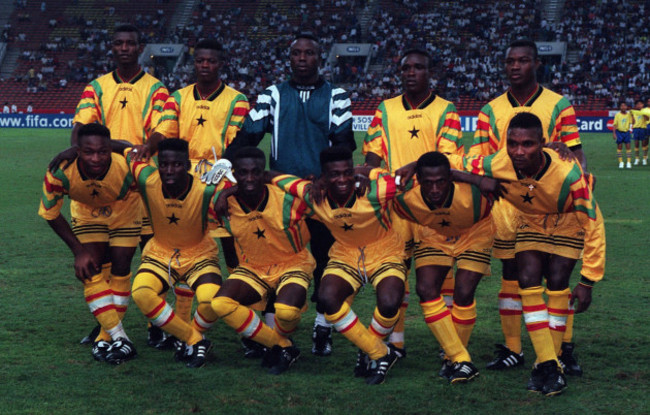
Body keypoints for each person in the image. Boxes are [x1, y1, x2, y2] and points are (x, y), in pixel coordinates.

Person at [224, 33, 356, 356]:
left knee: (327, 262)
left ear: (319, 58)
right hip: (280, 197)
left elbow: (343, 145)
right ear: (289, 58)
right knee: (275, 259)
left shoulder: (337, 96)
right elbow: (249, 136)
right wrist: (225, 165)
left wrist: (325, 178)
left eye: (309, 53)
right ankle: (272, 332)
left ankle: (322, 328)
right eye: (296, 53)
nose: (301, 58)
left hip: (321, 195)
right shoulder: (272, 94)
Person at [468, 39, 589, 372]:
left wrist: (581, 179)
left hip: (550, 201)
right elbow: (481, 163)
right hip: (507, 205)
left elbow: (575, 151)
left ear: (536, 63)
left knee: (556, 277)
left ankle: (562, 348)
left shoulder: (558, 104)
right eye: (510, 61)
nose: (515, 66)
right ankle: (513, 349)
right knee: (512, 275)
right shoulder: (489, 111)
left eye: (523, 61)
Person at [464, 112, 606, 396]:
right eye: (512, 143)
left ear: (542, 143)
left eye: (527, 144)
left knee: (557, 281)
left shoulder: (570, 174)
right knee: (527, 278)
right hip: (531, 221)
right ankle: (551, 366)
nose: (518, 151)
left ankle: (546, 361)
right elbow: (459, 163)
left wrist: (588, 280)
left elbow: (594, 226)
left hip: (568, 222)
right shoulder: (498, 162)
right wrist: (416, 164)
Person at [135, 38, 250, 346]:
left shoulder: (237, 100)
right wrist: (149, 145)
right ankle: (167, 325)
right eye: (200, 61)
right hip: (180, 178)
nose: (204, 65)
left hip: (219, 177)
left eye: (211, 61)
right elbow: (165, 131)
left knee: (230, 253)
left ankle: (245, 318)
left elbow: (237, 144)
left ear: (221, 64)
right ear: (194, 63)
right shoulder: (178, 97)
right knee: (176, 244)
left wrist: (224, 172)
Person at [61, 24, 170, 347]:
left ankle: (157, 322)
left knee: (153, 255)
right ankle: (108, 327)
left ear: (140, 48)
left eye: (130, 43)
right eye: (119, 43)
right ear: (112, 48)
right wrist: (75, 152)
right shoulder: (96, 87)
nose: (124, 48)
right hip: (104, 182)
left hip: (142, 185)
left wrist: (144, 149)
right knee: (106, 262)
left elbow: (161, 130)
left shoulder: (155, 88)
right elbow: (80, 126)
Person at [271, 146, 406, 385]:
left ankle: (368, 351)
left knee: (389, 302)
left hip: (385, 250)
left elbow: (412, 176)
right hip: (345, 254)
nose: (342, 179)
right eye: (334, 174)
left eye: (347, 173)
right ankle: (377, 352)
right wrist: (225, 195)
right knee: (327, 298)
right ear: (323, 176)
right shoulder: (312, 194)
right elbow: (271, 176)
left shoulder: (376, 190)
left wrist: (368, 171)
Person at [363, 48, 463, 350]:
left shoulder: (447, 110)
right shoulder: (385, 109)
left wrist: (412, 171)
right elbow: (372, 155)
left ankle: (448, 343)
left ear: (429, 72)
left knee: (439, 277)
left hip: (434, 205)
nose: (411, 72)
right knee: (397, 273)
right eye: (406, 67)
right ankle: (396, 341)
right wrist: (367, 175)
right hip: (396, 207)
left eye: (418, 67)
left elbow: (446, 159)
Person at [39, 124, 140, 364]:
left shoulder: (127, 167)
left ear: (109, 150)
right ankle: (120, 337)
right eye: (88, 152)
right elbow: (50, 213)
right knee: (90, 267)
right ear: (78, 151)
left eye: (102, 151)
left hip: (124, 209)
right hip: (86, 212)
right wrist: (78, 251)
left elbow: (129, 149)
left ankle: (105, 336)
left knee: (120, 265)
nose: (96, 158)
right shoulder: (60, 171)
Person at [210, 147, 314, 375]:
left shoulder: (286, 199)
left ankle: (277, 343)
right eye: (243, 173)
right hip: (253, 267)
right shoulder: (225, 205)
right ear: (234, 175)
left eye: (256, 172)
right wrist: (223, 194)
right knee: (219, 303)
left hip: (293, 263)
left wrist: (274, 177)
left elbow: (313, 193)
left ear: (263, 174)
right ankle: (282, 346)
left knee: (286, 312)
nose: (249, 178)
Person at [392, 151, 493, 383]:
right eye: (428, 183)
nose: (435, 189)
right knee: (426, 289)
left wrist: (474, 179)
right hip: (435, 235)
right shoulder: (407, 195)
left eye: (441, 182)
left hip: (475, 233)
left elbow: (500, 165)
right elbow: (370, 178)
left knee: (464, 292)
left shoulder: (473, 190)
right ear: (418, 180)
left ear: (450, 178)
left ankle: (453, 358)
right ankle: (461, 360)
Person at [124, 138, 225, 368]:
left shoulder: (206, 189)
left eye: (177, 165)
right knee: (141, 293)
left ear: (188, 165)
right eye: (164, 164)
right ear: (157, 165)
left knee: (212, 302)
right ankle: (192, 339)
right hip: (160, 253)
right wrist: (71, 151)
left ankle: (190, 337)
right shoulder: (146, 179)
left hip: (199, 254)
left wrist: (228, 194)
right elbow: (122, 149)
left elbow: (241, 188)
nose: (169, 170)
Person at [612, 102, 634, 169]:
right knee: (619, 147)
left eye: (624, 106)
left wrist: (632, 115)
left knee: (628, 147)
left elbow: (633, 122)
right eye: (622, 106)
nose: (623, 107)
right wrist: (614, 133)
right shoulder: (617, 115)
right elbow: (615, 125)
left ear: (626, 107)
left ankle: (628, 162)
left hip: (626, 132)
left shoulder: (629, 115)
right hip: (619, 132)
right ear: (620, 107)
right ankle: (621, 162)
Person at [630, 100, 648, 166]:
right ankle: (637, 159)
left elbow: (648, 119)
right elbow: (632, 122)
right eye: (638, 104)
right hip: (636, 129)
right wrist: (632, 116)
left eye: (641, 104)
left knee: (644, 144)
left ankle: (644, 158)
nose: (639, 105)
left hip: (643, 128)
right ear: (636, 105)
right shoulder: (634, 112)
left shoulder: (645, 111)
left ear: (643, 105)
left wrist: (644, 114)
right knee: (636, 144)